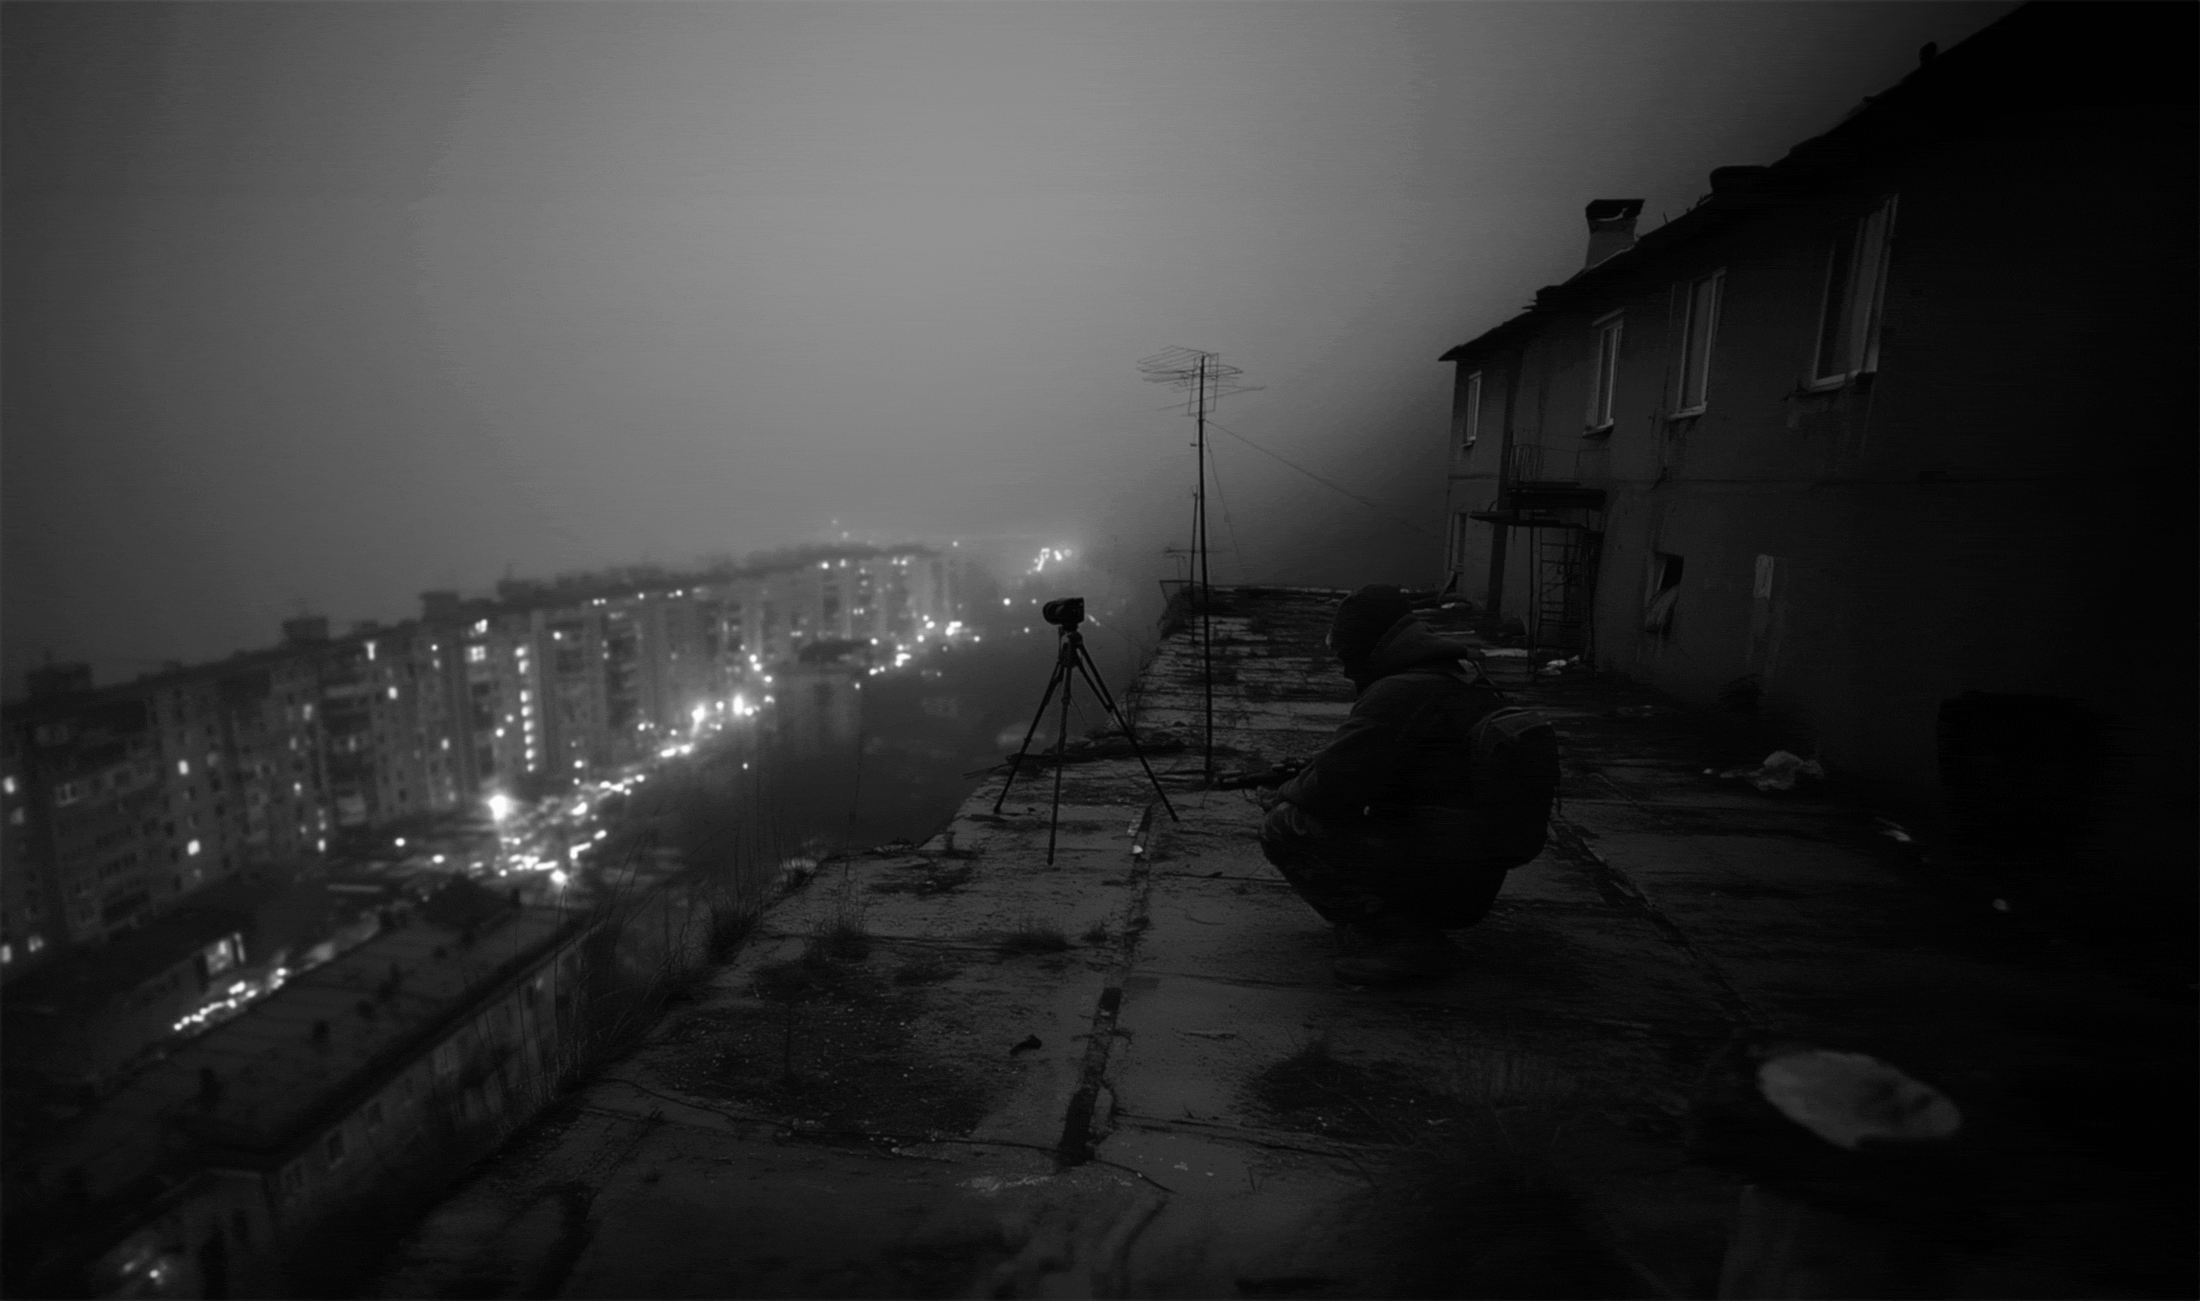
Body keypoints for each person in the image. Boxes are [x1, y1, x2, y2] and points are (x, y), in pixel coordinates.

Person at [1258, 585, 1508, 987]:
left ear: (1368, 645)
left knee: (1285, 823)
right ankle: (1396, 927)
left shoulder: (1400, 691)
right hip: (1475, 868)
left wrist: (1282, 792)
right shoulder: (1460, 676)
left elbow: (1330, 791)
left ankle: (1406, 941)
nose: (1345, 670)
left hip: (1445, 870)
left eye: (1346, 654)